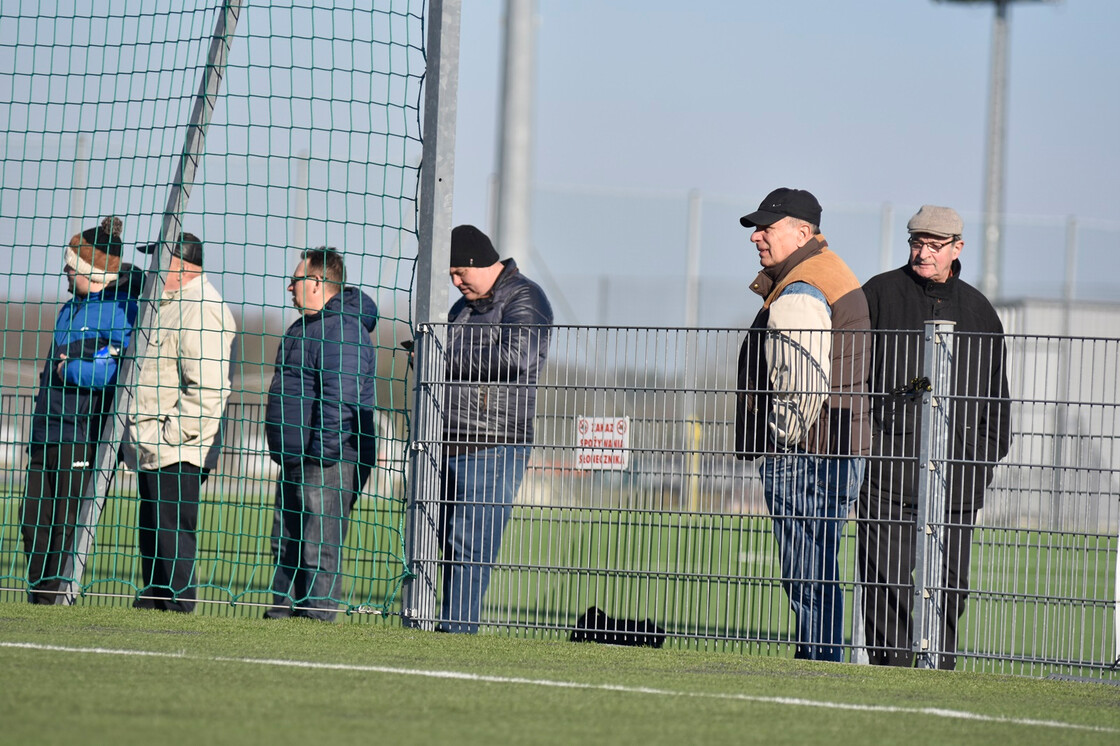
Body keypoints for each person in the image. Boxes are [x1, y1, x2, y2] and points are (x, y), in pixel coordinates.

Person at [858, 205, 1012, 669]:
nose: (923, 252)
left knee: (948, 586)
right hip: (887, 477)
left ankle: (939, 669)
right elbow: (854, 380)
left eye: (934, 245)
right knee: (884, 584)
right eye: (916, 242)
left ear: (957, 249)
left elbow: (997, 407)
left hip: (956, 482)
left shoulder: (980, 311)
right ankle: (895, 671)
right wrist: (872, 448)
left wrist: (975, 463)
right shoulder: (879, 294)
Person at [734, 188, 871, 661]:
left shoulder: (800, 288)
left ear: (802, 232)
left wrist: (780, 440)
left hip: (807, 452)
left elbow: (800, 385)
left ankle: (818, 662)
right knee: (819, 566)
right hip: (836, 444)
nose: (757, 237)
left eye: (767, 228)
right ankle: (822, 658)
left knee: (806, 571)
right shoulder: (828, 271)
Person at [437, 224, 552, 633]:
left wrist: (441, 363)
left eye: (458, 272)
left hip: (493, 443)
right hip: (445, 441)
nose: (455, 282)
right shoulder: (460, 308)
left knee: (471, 545)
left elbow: (517, 357)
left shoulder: (525, 296)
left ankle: (456, 630)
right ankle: (436, 623)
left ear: (477, 263)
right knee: (439, 544)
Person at [22, 216, 143, 604]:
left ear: (92, 271)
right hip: (48, 432)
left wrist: (68, 367)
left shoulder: (124, 311)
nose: (65, 272)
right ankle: (40, 596)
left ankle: (56, 599)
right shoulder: (68, 308)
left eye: (71, 267)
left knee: (67, 526)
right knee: (31, 524)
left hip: (84, 434)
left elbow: (116, 371)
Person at [264, 247, 378, 621]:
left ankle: (316, 621)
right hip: (296, 456)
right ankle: (281, 616)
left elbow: (339, 400)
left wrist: (322, 452)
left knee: (319, 546)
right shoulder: (304, 326)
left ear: (315, 282)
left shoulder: (342, 330)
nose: (289, 288)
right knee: (287, 543)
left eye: (294, 280)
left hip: (326, 459)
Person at [127, 232, 236, 612]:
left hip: (177, 448)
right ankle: (157, 601)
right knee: (154, 534)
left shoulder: (201, 307)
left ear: (182, 266)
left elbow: (207, 389)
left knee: (172, 536)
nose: (150, 267)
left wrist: (167, 435)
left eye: (158, 259)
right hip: (156, 445)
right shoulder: (168, 303)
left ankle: (173, 609)